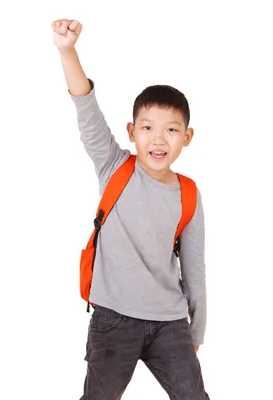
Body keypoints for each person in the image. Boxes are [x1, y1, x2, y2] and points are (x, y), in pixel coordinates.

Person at [52, 18, 210, 400]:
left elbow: (194, 268)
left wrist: (196, 332)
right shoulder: (114, 167)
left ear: (186, 137)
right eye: (147, 128)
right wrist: (67, 50)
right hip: (112, 318)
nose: (159, 139)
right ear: (131, 131)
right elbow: (86, 109)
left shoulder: (188, 193)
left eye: (171, 129)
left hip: (169, 323)